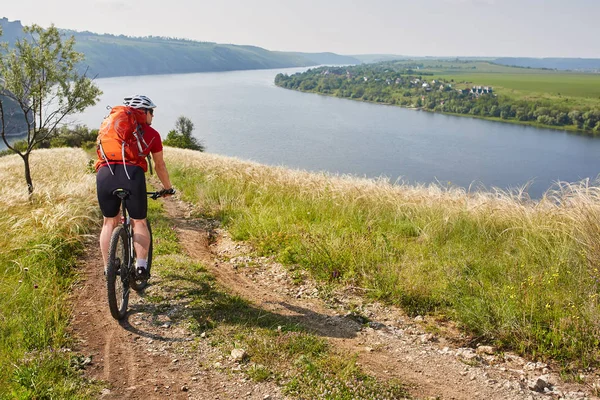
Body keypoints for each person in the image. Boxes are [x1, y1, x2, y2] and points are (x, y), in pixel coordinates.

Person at [95, 94, 174, 279]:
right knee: (139, 221)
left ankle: (108, 267)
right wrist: (167, 188)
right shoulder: (152, 134)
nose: (152, 116)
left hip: (105, 174)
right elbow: (159, 166)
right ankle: (141, 267)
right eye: (151, 112)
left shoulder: (111, 129)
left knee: (109, 221)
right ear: (143, 112)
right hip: (132, 175)